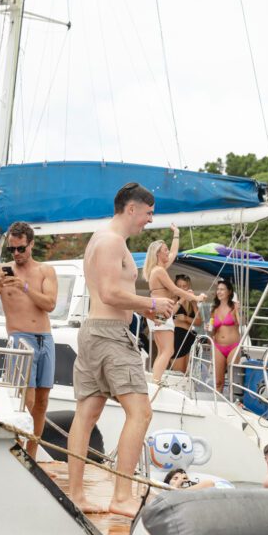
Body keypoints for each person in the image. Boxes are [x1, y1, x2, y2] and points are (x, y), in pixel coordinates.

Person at [67, 182, 174, 517]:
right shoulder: (113, 242)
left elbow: (107, 293)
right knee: (140, 412)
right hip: (110, 337)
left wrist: (144, 309)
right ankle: (122, 496)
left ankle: (75, 495)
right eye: (147, 213)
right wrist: (151, 301)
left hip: (95, 331)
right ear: (131, 209)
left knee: (87, 414)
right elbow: (112, 293)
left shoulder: (102, 239)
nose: (149, 220)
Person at [0, 221, 58, 460]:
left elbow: (50, 304)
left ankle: (31, 456)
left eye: (20, 248)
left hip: (45, 339)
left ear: (31, 244)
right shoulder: (2, 271)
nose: (16, 254)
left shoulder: (45, 271)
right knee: (27, 400)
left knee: (42, 402)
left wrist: (24, 287)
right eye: (11, 249)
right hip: (19, 339)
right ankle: (19, 452)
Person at [142, 235, 205, 382]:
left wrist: (176, 233)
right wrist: (196, 298)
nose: (168, 252)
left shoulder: (158, 269)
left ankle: (156, 381)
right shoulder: (159, 271)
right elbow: (175, 290)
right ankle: (156, 381)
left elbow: (174, 253)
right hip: (161, 312)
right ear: (158, 253)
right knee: (168, 350)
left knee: (164, 351)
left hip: (159, 312)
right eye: (165, 250)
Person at [208, 279, 240, 392]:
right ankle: (217, 406)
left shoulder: (234, 307)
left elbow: (243, 323)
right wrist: (209, 329)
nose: (219, 292)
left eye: (222, 289)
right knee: (218, 381)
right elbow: (212, 331)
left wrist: (238, 310)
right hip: (218, 346)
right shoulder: (214, 309)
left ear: (229, 292)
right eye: (218, 289)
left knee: (232, 380)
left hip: (233, 346)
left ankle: (231, 404)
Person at [171, 274, 202, 373]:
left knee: (188, 373)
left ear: (188, 287)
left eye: (184, 286)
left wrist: (186, 317)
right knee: (178, 372)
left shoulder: (191, 301)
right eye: (179, 286)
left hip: (190, 336)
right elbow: (169, 314)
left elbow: (198, 322)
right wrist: (183, 298)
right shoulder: (173, 299)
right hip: (177, 337)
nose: (182, 289)